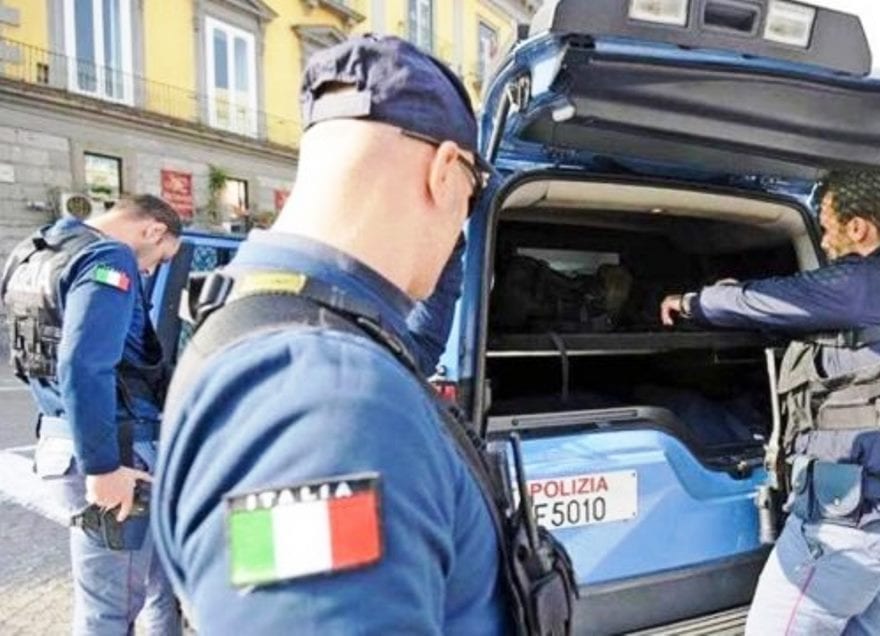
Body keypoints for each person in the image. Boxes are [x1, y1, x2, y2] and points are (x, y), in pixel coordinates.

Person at [151, 36, 509, 634]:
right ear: (445, 171)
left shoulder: (286, 321)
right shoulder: (327, 401)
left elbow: (407, 352)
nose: (459, 228)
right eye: (469, 201)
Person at [661, 170, 880, 635]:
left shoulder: (871, 282)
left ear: (859, 228)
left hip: (846, 529)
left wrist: (692, 302)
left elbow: (778, 299)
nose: (823, 241)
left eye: (826, 228)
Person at [1, 194, 183, 635]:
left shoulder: (34, 250)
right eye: (161, 259)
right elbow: (83, 362)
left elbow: (31, 354)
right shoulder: (109, 257)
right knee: (109, 610)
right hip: (118, 453)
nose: (150, 271)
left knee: (159, 584)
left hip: (62, 438)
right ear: (153, 230)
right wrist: (103, 467)